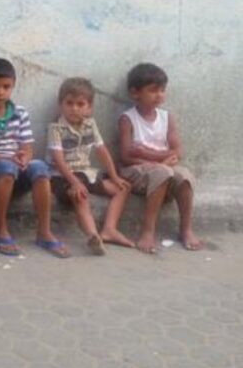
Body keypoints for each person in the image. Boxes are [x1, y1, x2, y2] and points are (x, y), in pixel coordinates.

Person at [0, 57, 64, 257]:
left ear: (13, 87)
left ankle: (44, 231)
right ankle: (0, 226)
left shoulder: (20, 113)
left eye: (6, 86)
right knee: (6, 168)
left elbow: (27, 146)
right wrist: (4, 159)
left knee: (40, 168)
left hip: (16, 162)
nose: (0, 91)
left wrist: (25, 157)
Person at [118, 62, 203, 253]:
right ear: (135, 93)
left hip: (161, 167)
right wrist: (157, 160)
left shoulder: (166, 117)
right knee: (162, 172)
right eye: (153, 90)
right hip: (136, 170)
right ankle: (148, 231)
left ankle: (186, 229)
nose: (160, 95)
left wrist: (146, 153)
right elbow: (125, 156)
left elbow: (177, 152)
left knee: (185, 177)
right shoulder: (127, 119)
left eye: (162, 90)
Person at [48, 77, 135, 255]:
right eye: (69, 103)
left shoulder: (90, 124)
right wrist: (74, 182)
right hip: (62, 176)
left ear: (89, 107)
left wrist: (115, 176)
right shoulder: (55, 128)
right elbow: (58, 160)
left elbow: (102, 151)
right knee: (81, 195)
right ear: (60, 104)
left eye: (80, 104)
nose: (74, 108)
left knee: (123, 188)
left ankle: (109, 229)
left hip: (87, 174)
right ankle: (92, 235)